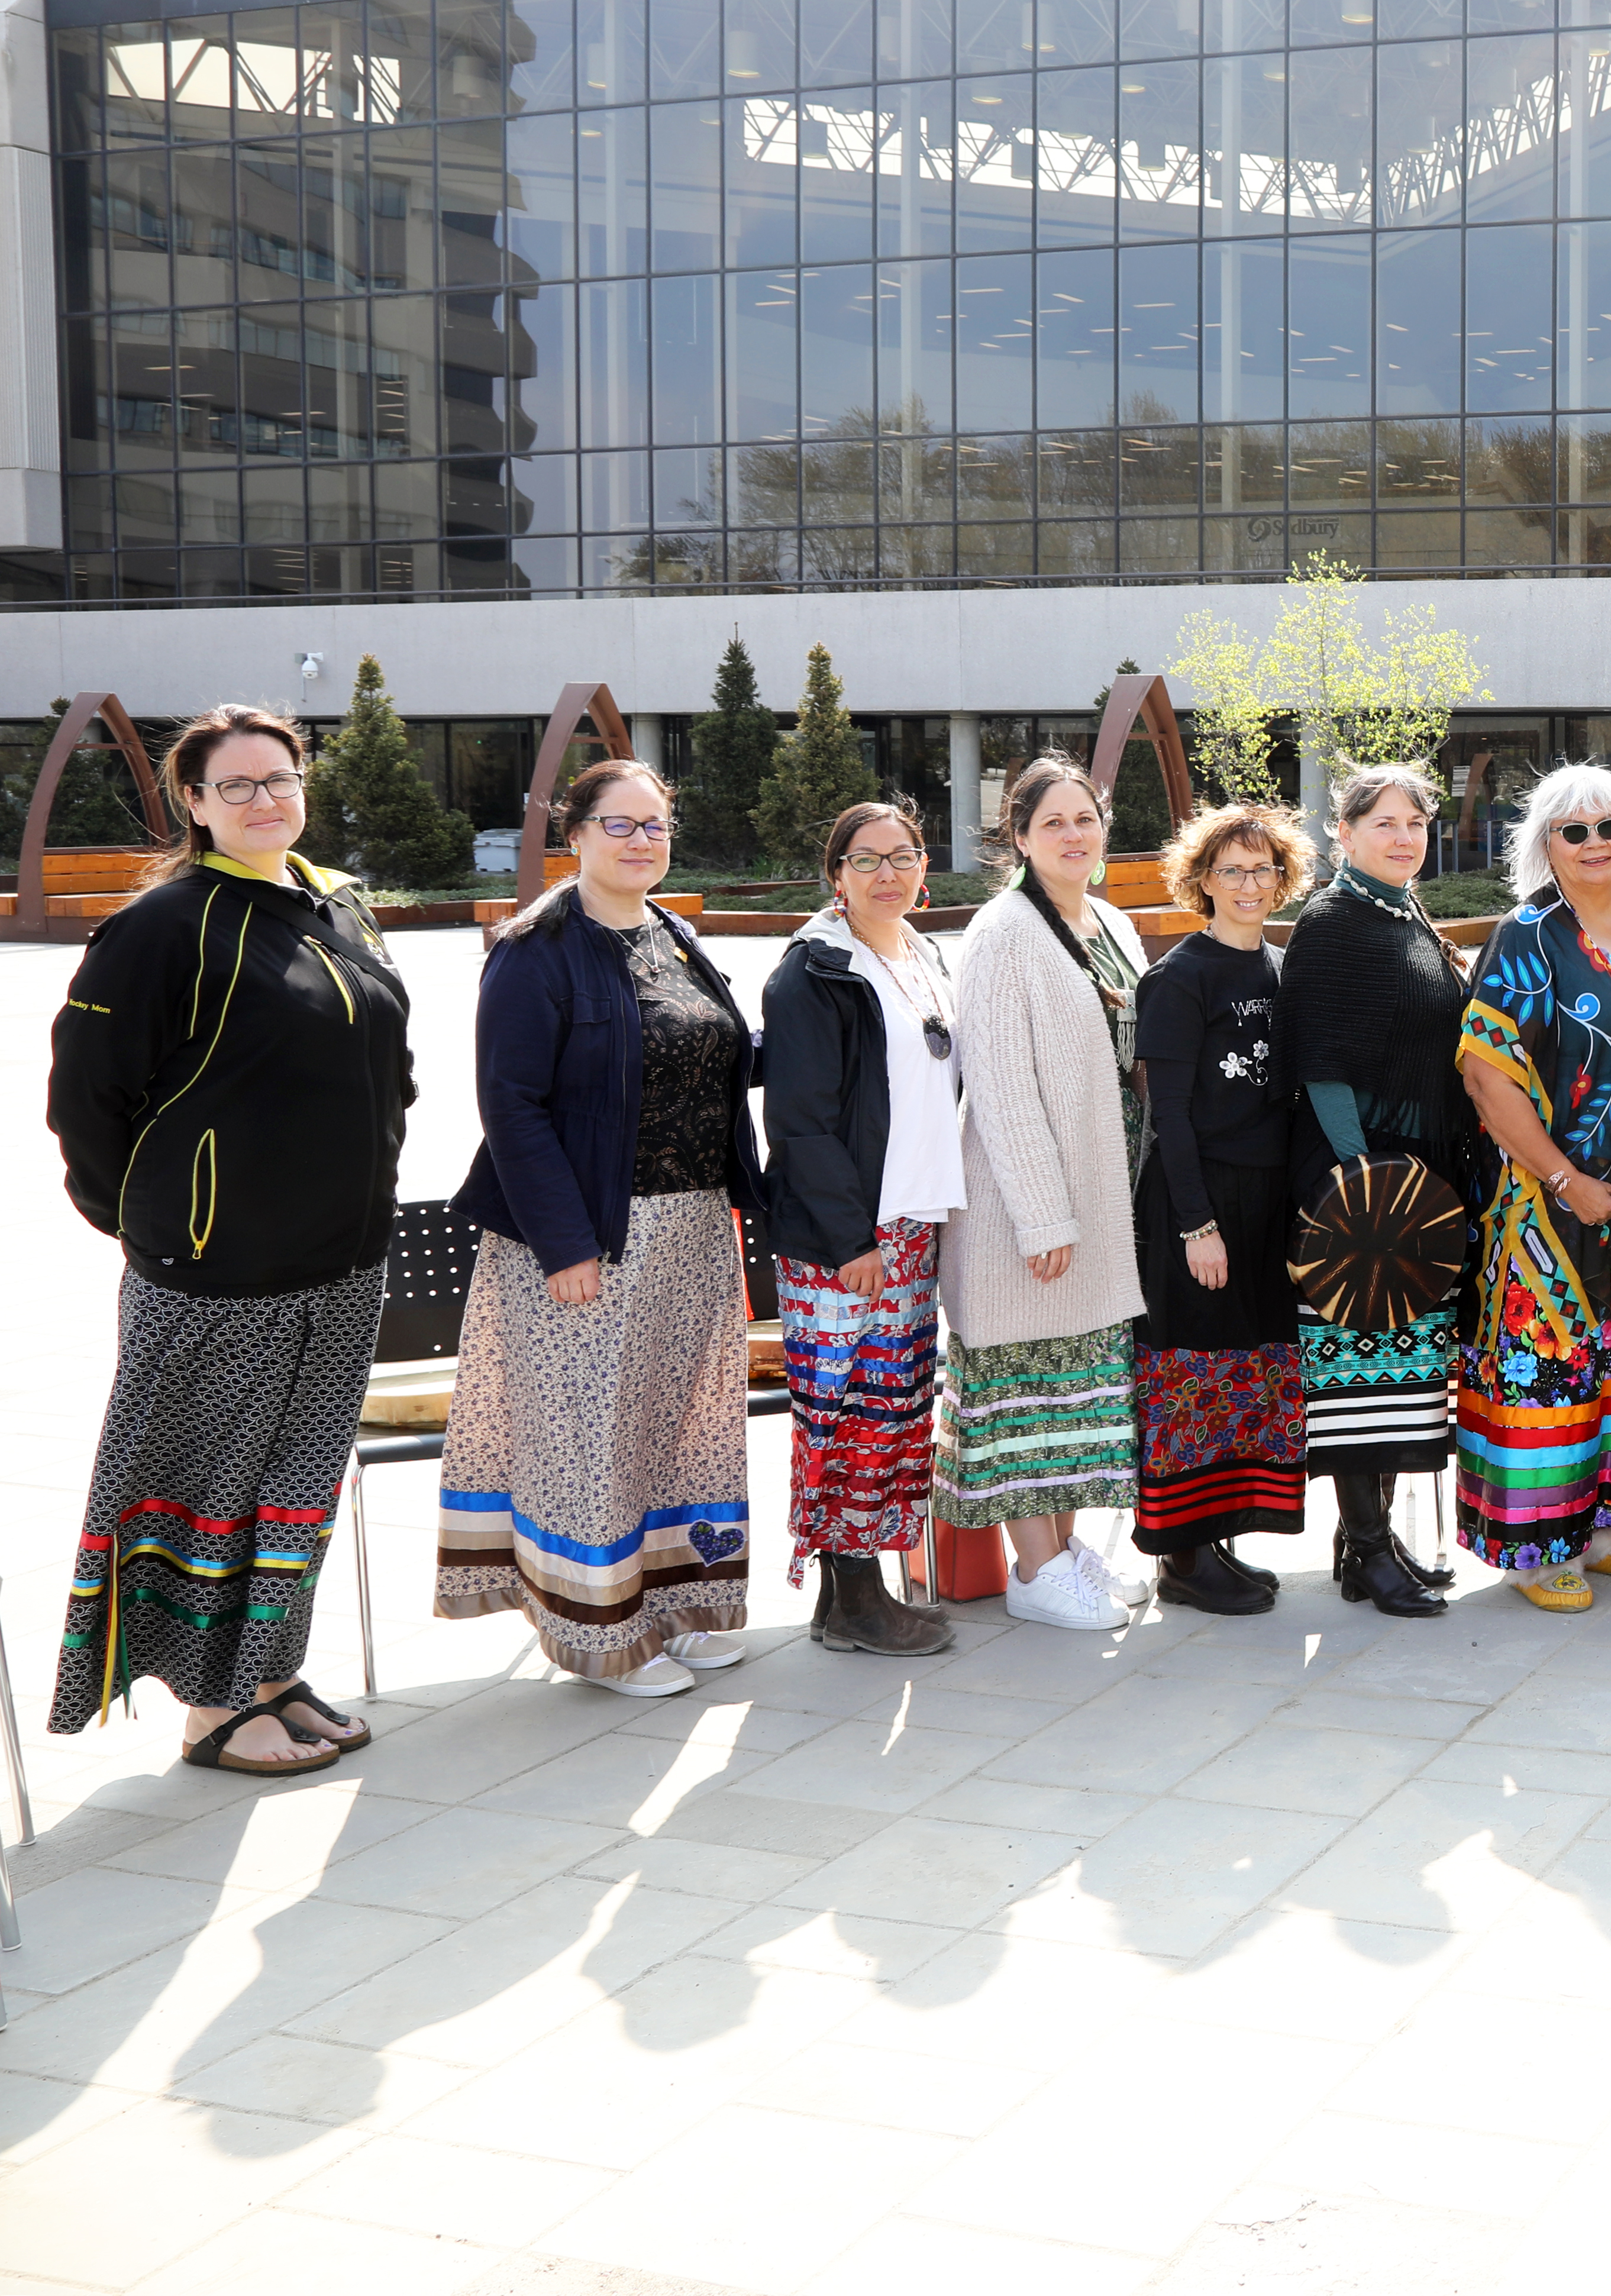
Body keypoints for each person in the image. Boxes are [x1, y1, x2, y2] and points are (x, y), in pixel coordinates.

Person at [44, 706, 413, 1775]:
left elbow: (386, 1058)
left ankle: (267, 1675)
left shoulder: (336, 900)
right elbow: (86, 1102)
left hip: (342, 1262)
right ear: (195, 805)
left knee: (293, 1487)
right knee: (209, 1485)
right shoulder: (160, 927)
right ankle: (210, 1713)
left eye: (281, 778)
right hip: (218, 1273)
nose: (265, 799)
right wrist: (162, 1223)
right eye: (237, 785)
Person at [440, 761, 766, 1696]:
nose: (641, 843)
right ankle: (598, 1633)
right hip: (593, 1235)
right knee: (592, 1433)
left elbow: (711, 1059)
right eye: (619, 825)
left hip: (692, 1226)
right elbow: (510, 1103)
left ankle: (674, 1602)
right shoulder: (535, 946)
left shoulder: (673, 934)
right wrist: (564, 1243)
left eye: (656, 826)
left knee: (681, 1424)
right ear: (573, 833)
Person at [1455, 763, 1611, 1610]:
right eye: (1575, 832)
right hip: (1547, 1204)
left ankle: (1603, 1527)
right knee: (1549, 1364)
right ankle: (1536, 1548)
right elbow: (1486, 1075)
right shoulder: (1526, 936)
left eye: (1610, 827)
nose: (1595, 843)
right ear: (1546, 848)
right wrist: (1566, 1180)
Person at [941, 755, 1150, 1633]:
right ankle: (1033, 1567)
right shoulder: (1002, 931)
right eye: (1052, 822)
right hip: (1025, 1209)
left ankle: (1065, 1556)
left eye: (1086, 818)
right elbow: (999, 1084)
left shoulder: (1109, 922)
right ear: (1018, 837)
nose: (1074, 835)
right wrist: (1042, 1215)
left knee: (1081, 1392)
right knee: (1027, 1383)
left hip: (1105, 1197)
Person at [759, 801, 962, 1656]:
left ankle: (854, 1593)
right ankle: (852, 1595)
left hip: (915, 1222)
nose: (889, 873)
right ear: (835, 875)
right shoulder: (813, 972)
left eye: (905, 855)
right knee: (845, 1416)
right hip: (849, 1239)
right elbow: (801, 1124)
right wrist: (851, 1243)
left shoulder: (923, 955)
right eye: (867, 858)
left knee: (896, 1413)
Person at [1283, 762, 1477, 1617]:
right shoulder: (1336, 924)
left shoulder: (1398, 912)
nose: (1404, 838)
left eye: (1416, 823)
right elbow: (1322, 1068)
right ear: (1345, 834)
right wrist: (1364, 1181)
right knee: (1363, 1372)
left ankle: (1368, 1541)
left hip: (1416, 1177)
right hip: (1364, 1184)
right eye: (1385, 824)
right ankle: (1366, 1549)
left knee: (1401, 1372)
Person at [1127, 803, 1314, 1616]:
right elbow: (1166, 1112)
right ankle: (1180, 1557)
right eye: (1232, 870)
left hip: (1267, 1201)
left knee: (1248, 1370)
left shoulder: (1279, 968)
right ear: (1201, 880)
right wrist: (1195, 1225)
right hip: (1194, 1201)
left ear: (1284, 877)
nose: (1249, 884)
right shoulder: (1179, 976)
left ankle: (1220, 1536)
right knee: (1191, 1376)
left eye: (1263, 868)